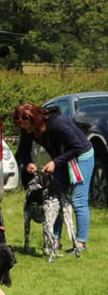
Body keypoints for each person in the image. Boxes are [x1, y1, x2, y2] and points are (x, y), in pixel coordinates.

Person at [13, 103, 93, 252]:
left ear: (35, 120)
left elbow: (77, 146)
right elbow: (23, 150)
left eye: (27, 127)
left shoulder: (58, 124)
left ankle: (80, 243)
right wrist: (28, 162)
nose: (26, 130)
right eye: (22, 127)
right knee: (54, 198)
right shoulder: (27, 127)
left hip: (81, 156)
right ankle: (54, 240)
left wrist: (55, 162)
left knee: (77, 200)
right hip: (62, 159)